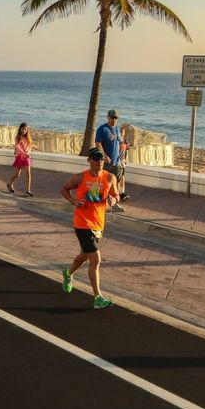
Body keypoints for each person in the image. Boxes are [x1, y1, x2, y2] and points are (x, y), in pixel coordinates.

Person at [60, 147, 118, 309]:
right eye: (96, 158)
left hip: (98, 223)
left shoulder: (110, 177)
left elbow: (116, 195)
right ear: (89, 160)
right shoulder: (79, 177)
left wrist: (113, 200)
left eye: (102, 159)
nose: (99, 161)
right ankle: (97, 297)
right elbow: (64, 189)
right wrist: (73, 201)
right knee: (95, 259)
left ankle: (68, 273)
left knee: (85, 255)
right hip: (82, 223)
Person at [94, 109, 127, 213]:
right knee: (104, 184)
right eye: (112, 117)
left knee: (116, 184)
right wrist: (104, 155)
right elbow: (98, 144)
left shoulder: (117, 129)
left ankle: (115, 204)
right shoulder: (102, 129)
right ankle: (97, 204)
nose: (114, 119)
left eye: (116, 117)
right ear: (108, 117)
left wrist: (122, 159)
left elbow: (119, 141)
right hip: (107, 163)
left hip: (117, 162)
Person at [6, 122, 34, 196]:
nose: (24, 131)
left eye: (25, 129)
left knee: (28, 173)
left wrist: (28, 153)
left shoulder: (28, 138)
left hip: (26, 157)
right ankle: (10, 183)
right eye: (22, 129)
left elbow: (30, 147)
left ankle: (28, 190)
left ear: (27, 130)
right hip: (19, 156)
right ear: (20, 129)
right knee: (17, 174)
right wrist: (25, 153)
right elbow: (18, 147)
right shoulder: (17, 138)